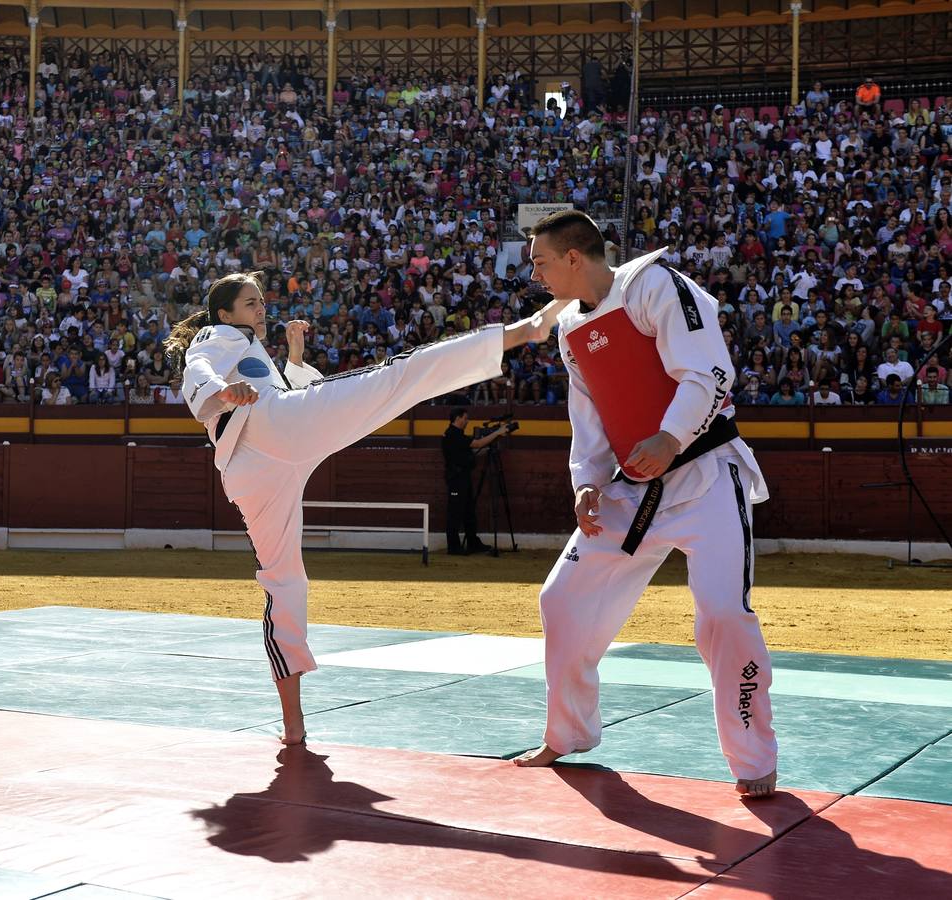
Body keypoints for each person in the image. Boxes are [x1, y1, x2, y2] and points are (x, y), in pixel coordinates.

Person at [166, 272, 561, 746]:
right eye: (251, 303)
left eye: (262, 302)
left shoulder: (249, 349)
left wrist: (292, 361)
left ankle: (293, 726)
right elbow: (200, 364)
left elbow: (275, 392)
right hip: (271, 434)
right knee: (396, 375)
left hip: (255, 469)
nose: (261, 309)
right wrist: (220, 393)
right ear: (225, 313)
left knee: (284, 583)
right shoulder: (221, 334)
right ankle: (520, 332)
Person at [514, 211, 777, 798]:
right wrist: (586, 481)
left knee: (722, 614)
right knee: (562, 599)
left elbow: (710, 371)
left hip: (705, 473)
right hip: (631, 490)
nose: (535, 273)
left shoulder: (654, 287)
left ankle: (754, 757)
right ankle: (568, 733)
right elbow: (589, 416)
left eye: (541, 261)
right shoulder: (568, 330)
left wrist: (671, 435)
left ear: (574, 257)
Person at [441, 408, 504, 555]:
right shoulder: (452, 434)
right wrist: (497, 433)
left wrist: (489, 448)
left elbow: (472, 451)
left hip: (463, 477)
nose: (467, 421)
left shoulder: (456, 435)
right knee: (455, 513)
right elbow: (477, 444)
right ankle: (454, 547)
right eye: (465, 418)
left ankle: (472, 543)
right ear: (458, 418)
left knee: (469, 511)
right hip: (456, 479)